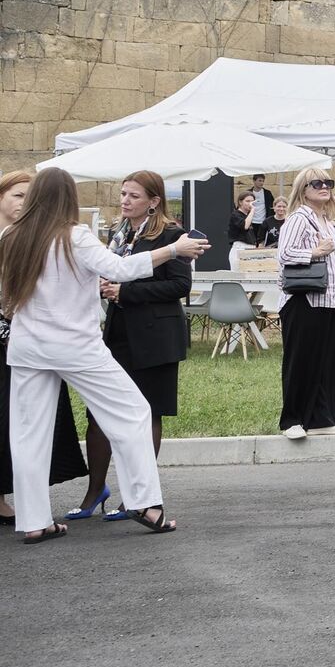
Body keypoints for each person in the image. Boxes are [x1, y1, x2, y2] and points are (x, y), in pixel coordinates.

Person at [2, 167, 205, 543]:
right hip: (75, 346)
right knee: (133, 412)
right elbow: (121, 269)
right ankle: (145, 503)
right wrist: (174, 249)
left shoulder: (11, 236)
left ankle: (33, 522)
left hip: (28, 346)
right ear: (69, 199)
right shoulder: (74, 236)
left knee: (29, 435)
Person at [71, 169, 192, 521]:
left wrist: (127, 291)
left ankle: (137, 497)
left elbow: (179, 286)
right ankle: (95, 491)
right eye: (123, 194)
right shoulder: (119, 233)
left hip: (156, 336)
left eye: (134, 196)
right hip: (118, 333)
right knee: (98, 414)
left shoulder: (173, 236)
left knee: (148, 413)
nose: (125, 201)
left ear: (154, 201)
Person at [0, 170, 87, 528]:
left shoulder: (32, 236)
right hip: (14, 337)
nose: (24, 202)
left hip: (25, 342)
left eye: (28, 196)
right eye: (18, 195)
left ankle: (19, 500)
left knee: (22, 422)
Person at [276, 166, 335, 440]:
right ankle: (292, 419)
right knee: (301, 360)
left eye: (328, 182)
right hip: (303, 298)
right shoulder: (299, 217)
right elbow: (284, 254)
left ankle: (321, 417)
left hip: (328, 298)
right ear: (303, 190)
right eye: (316, 183)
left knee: (326, 361)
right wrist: (315, 252)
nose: (324, 187)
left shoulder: (326, 220)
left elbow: (327, 256)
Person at [244, 174, 273, 244]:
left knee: (262, 241)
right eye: (259, 180)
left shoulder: (267, 193)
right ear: (254, 181)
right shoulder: (248, 193)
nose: (261, 183)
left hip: (263, 221)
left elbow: (272, 207)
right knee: (251, 241)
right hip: (252, 221)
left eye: (263, 181)